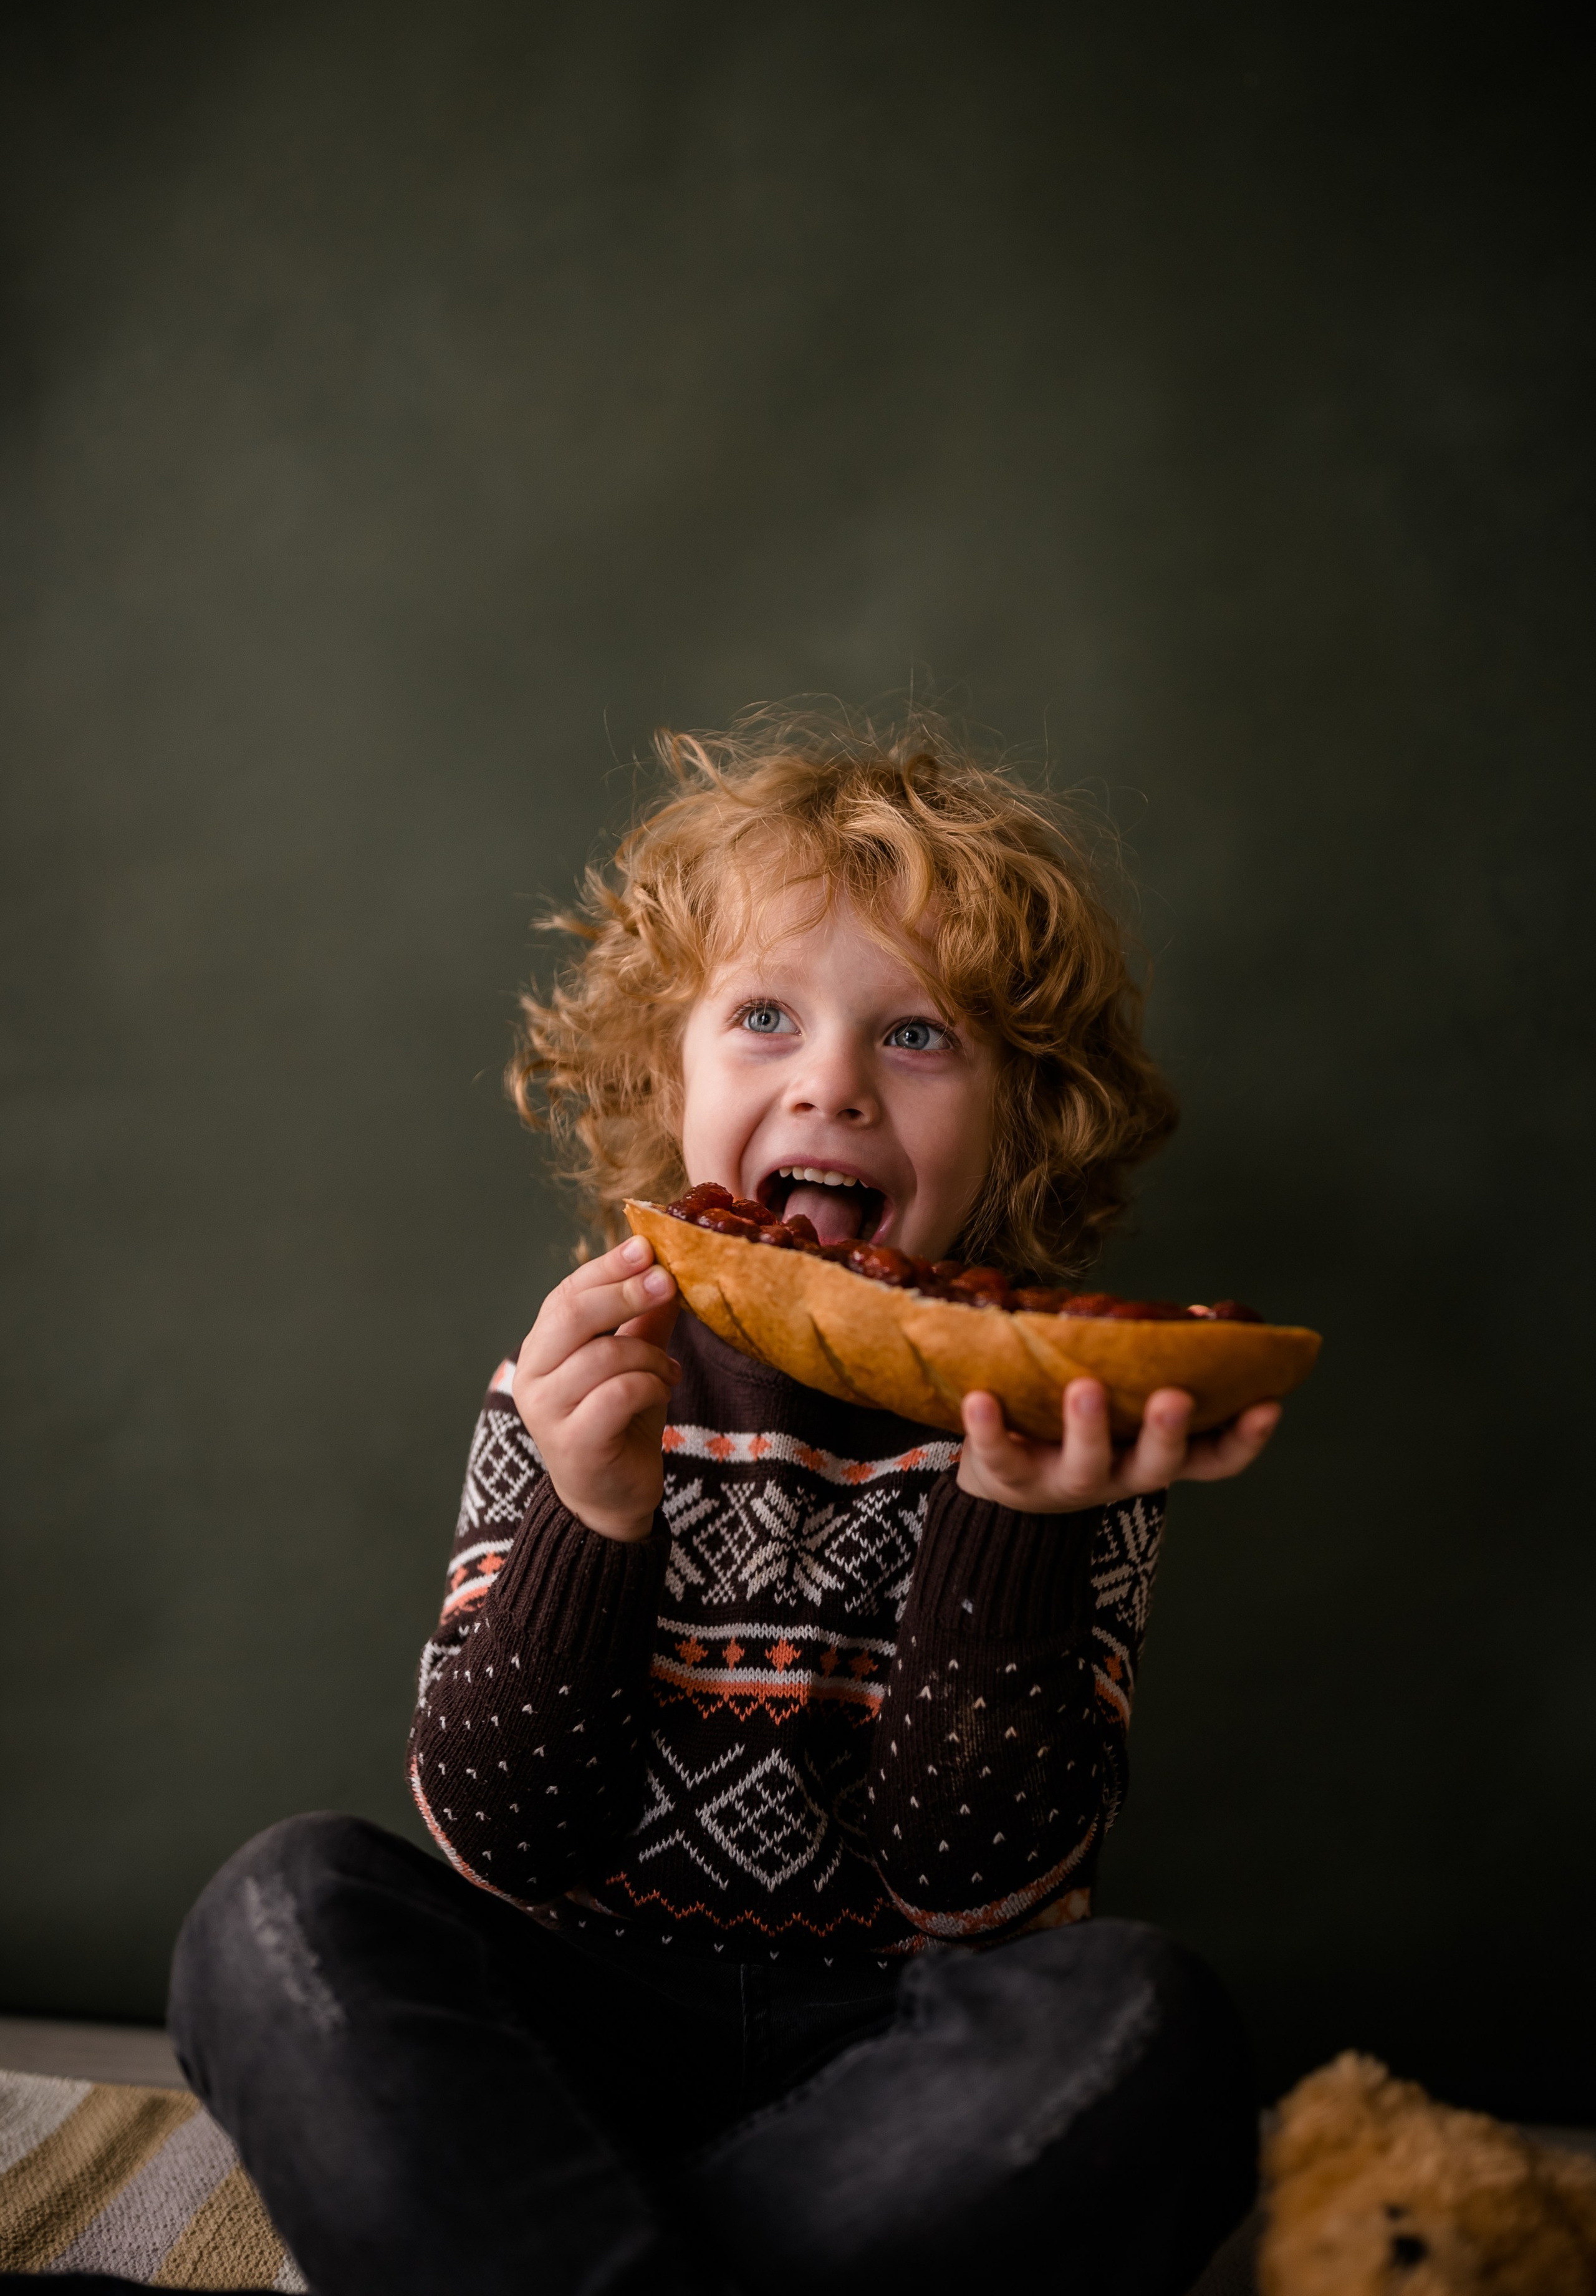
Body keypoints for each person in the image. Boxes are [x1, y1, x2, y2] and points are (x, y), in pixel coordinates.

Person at [163, 718, 1280, 2296]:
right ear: (664, 1075)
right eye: (763, 1016)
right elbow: (508, 1836)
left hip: (891, 2062)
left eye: (916, 1037)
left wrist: (1008, 1517)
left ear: (1018, 1114)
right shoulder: (575, 1377)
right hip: (559, 2038)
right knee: (276, 1910)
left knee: (1145, 2016)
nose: (829, 1084)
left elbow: (965, 1880)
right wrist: (590, 1513)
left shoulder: (1066, 1429)